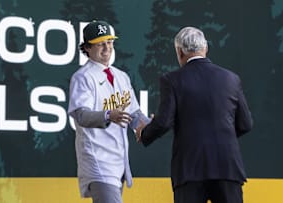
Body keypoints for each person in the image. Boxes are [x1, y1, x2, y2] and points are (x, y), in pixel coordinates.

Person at [135, 26, 253, 203]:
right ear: (205, 48)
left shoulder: (172, 80)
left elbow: (164, 122)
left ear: (179, 52)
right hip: (227, 166)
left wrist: (144, 132)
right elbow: (245, 124)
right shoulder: (231, 78)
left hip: (190, 169)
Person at [68, 20, 150, 203]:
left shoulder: (121, 76)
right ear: (87, 48)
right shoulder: (82, 77)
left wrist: (152, 125)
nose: (106, 48)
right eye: (100, 44)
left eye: (109, 42)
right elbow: (81, 115)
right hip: (97, 159)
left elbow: (134, 115)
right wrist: (107, 115)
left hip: (119, 162)